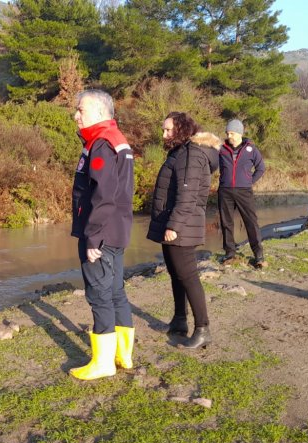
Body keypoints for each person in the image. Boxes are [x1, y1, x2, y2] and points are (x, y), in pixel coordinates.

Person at [69, 89, 135, 380]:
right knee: (116, 291)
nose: (76, 115)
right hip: (117, 230)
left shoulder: (101, 144)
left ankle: (103, 363)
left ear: (98, 112)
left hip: (101, 233)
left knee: (99, 295)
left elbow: (103, 195)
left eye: (81, 110)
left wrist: (93, 237)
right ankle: (124, 355)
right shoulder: (117, 140)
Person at [147, 112, 220, 350]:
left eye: (168, 130)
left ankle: (203, 329)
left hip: (182, 226)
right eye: (163, 129)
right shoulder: (180, 152)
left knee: (188, 276)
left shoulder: (192, 154)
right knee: (176, 273)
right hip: (174, 223)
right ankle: (180, 320)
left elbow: (187, 196)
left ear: (181, 130)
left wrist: (174, 226)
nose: (164, 134)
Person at [217, 119, 267, 268]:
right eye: (227, 133)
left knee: (251, 222)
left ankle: (258, 255)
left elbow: (261, 168)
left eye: (231, 133)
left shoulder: (251, 149)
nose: (229, 136)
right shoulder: (221, 149)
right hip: (225, 191)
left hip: (244, 191)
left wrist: (249, 181)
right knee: (226, 223)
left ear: (239, 133)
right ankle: (229, 253)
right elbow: (212, 165)